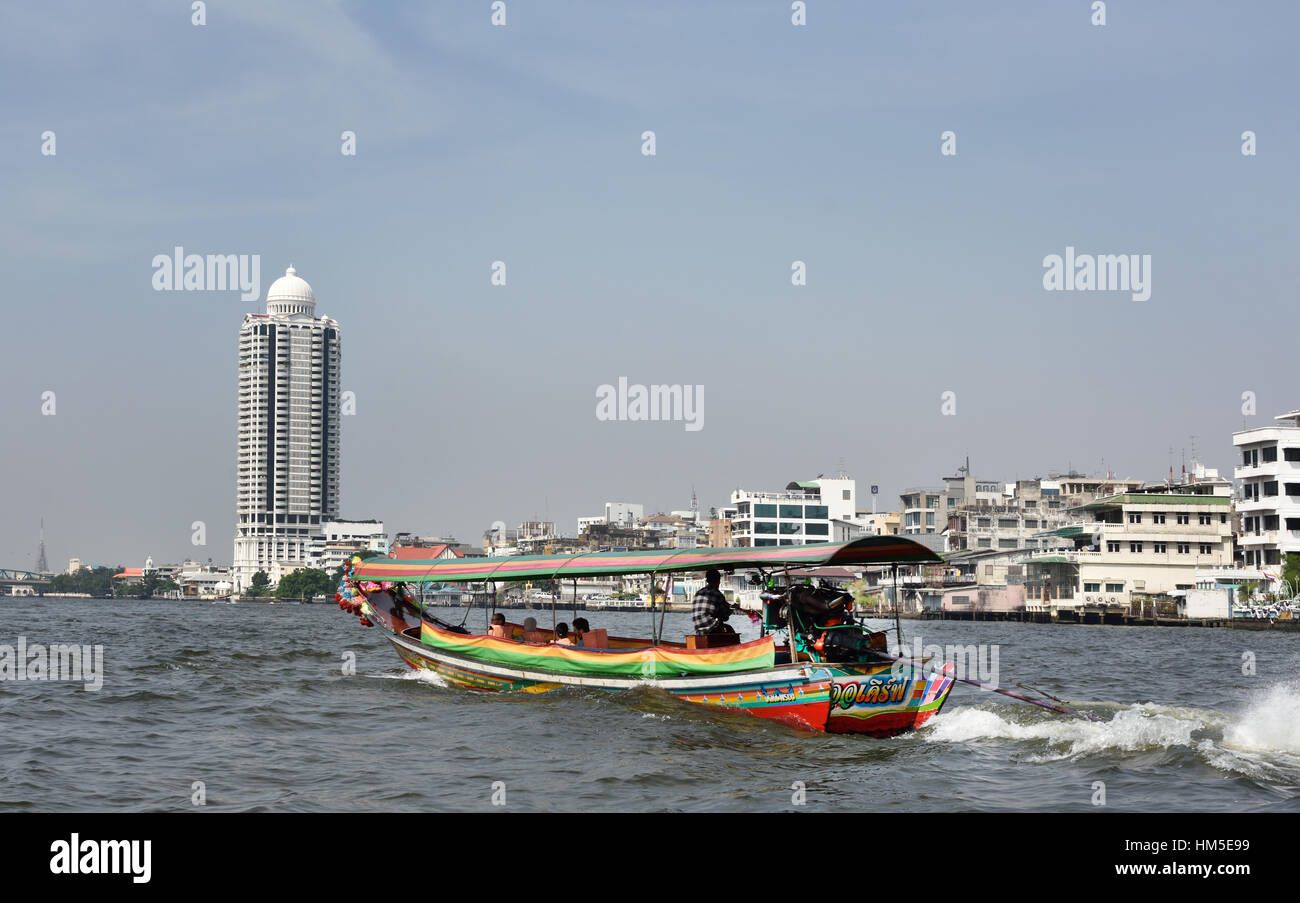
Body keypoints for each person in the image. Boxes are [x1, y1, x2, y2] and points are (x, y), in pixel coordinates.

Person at [693, 569, 737, 638]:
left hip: (699, 632)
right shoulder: (717, 594)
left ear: (707, 581)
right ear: (718, 581)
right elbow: (725, 616)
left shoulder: (698, 593)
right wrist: (733, 608)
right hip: (712, 631)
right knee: (729, 629)